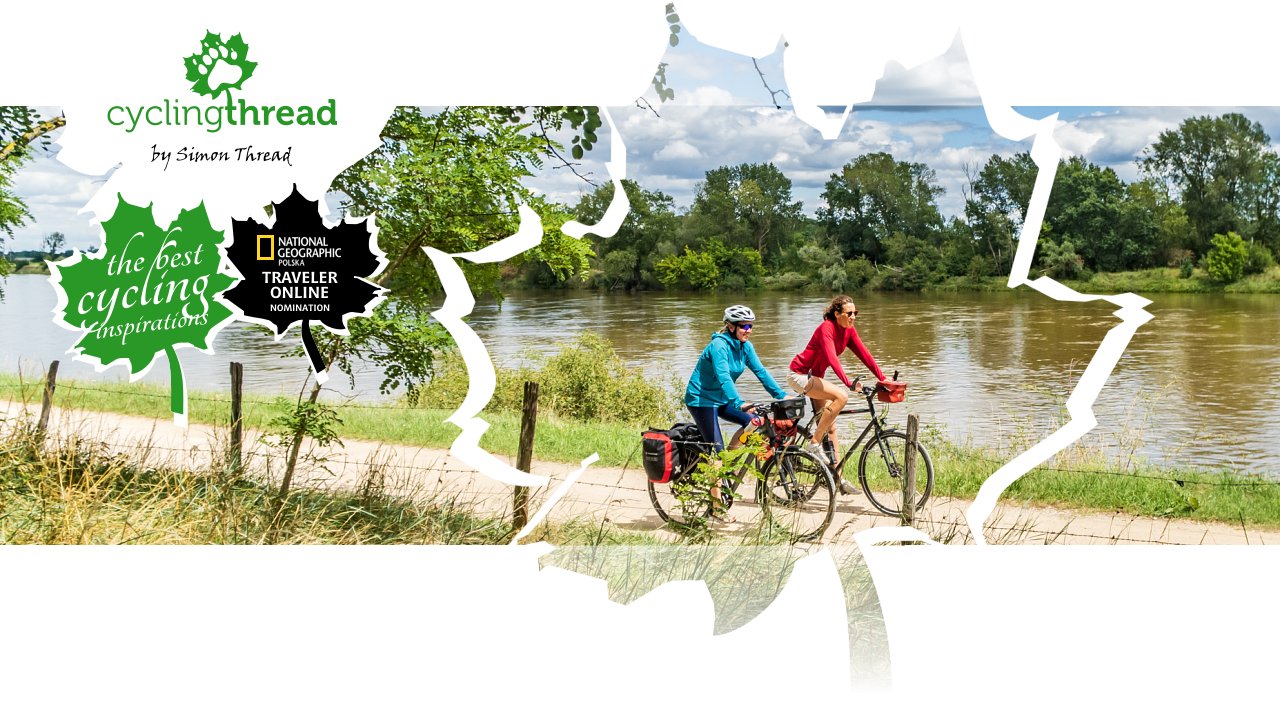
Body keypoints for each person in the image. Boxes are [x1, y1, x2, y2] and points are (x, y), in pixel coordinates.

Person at [685, 304, 787, 519]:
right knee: (716, 451)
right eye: (743, 326)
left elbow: (760, 371)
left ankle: (728, 464)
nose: (748, 330)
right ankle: (717, 507)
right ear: (731, 326)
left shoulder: (745, 346)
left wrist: (781, 396)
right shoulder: (718, 346)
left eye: (750, 326)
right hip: (701, 399)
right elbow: (723, 376)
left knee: (755, 422)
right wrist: (738, 401)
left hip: (722, 398)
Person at [788, 295, 887, 494]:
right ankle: (814, 444)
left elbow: (864, 354)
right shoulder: (827, 328)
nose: (853, 317)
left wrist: (883, 378)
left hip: (815, 378)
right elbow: (832, 358)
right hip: (799, 375)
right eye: (849, 313)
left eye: (855, 313)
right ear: (837, 314)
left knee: (830, 428)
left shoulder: (848, 331)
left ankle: (838, 479)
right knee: (841, 397)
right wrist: (849, 383)